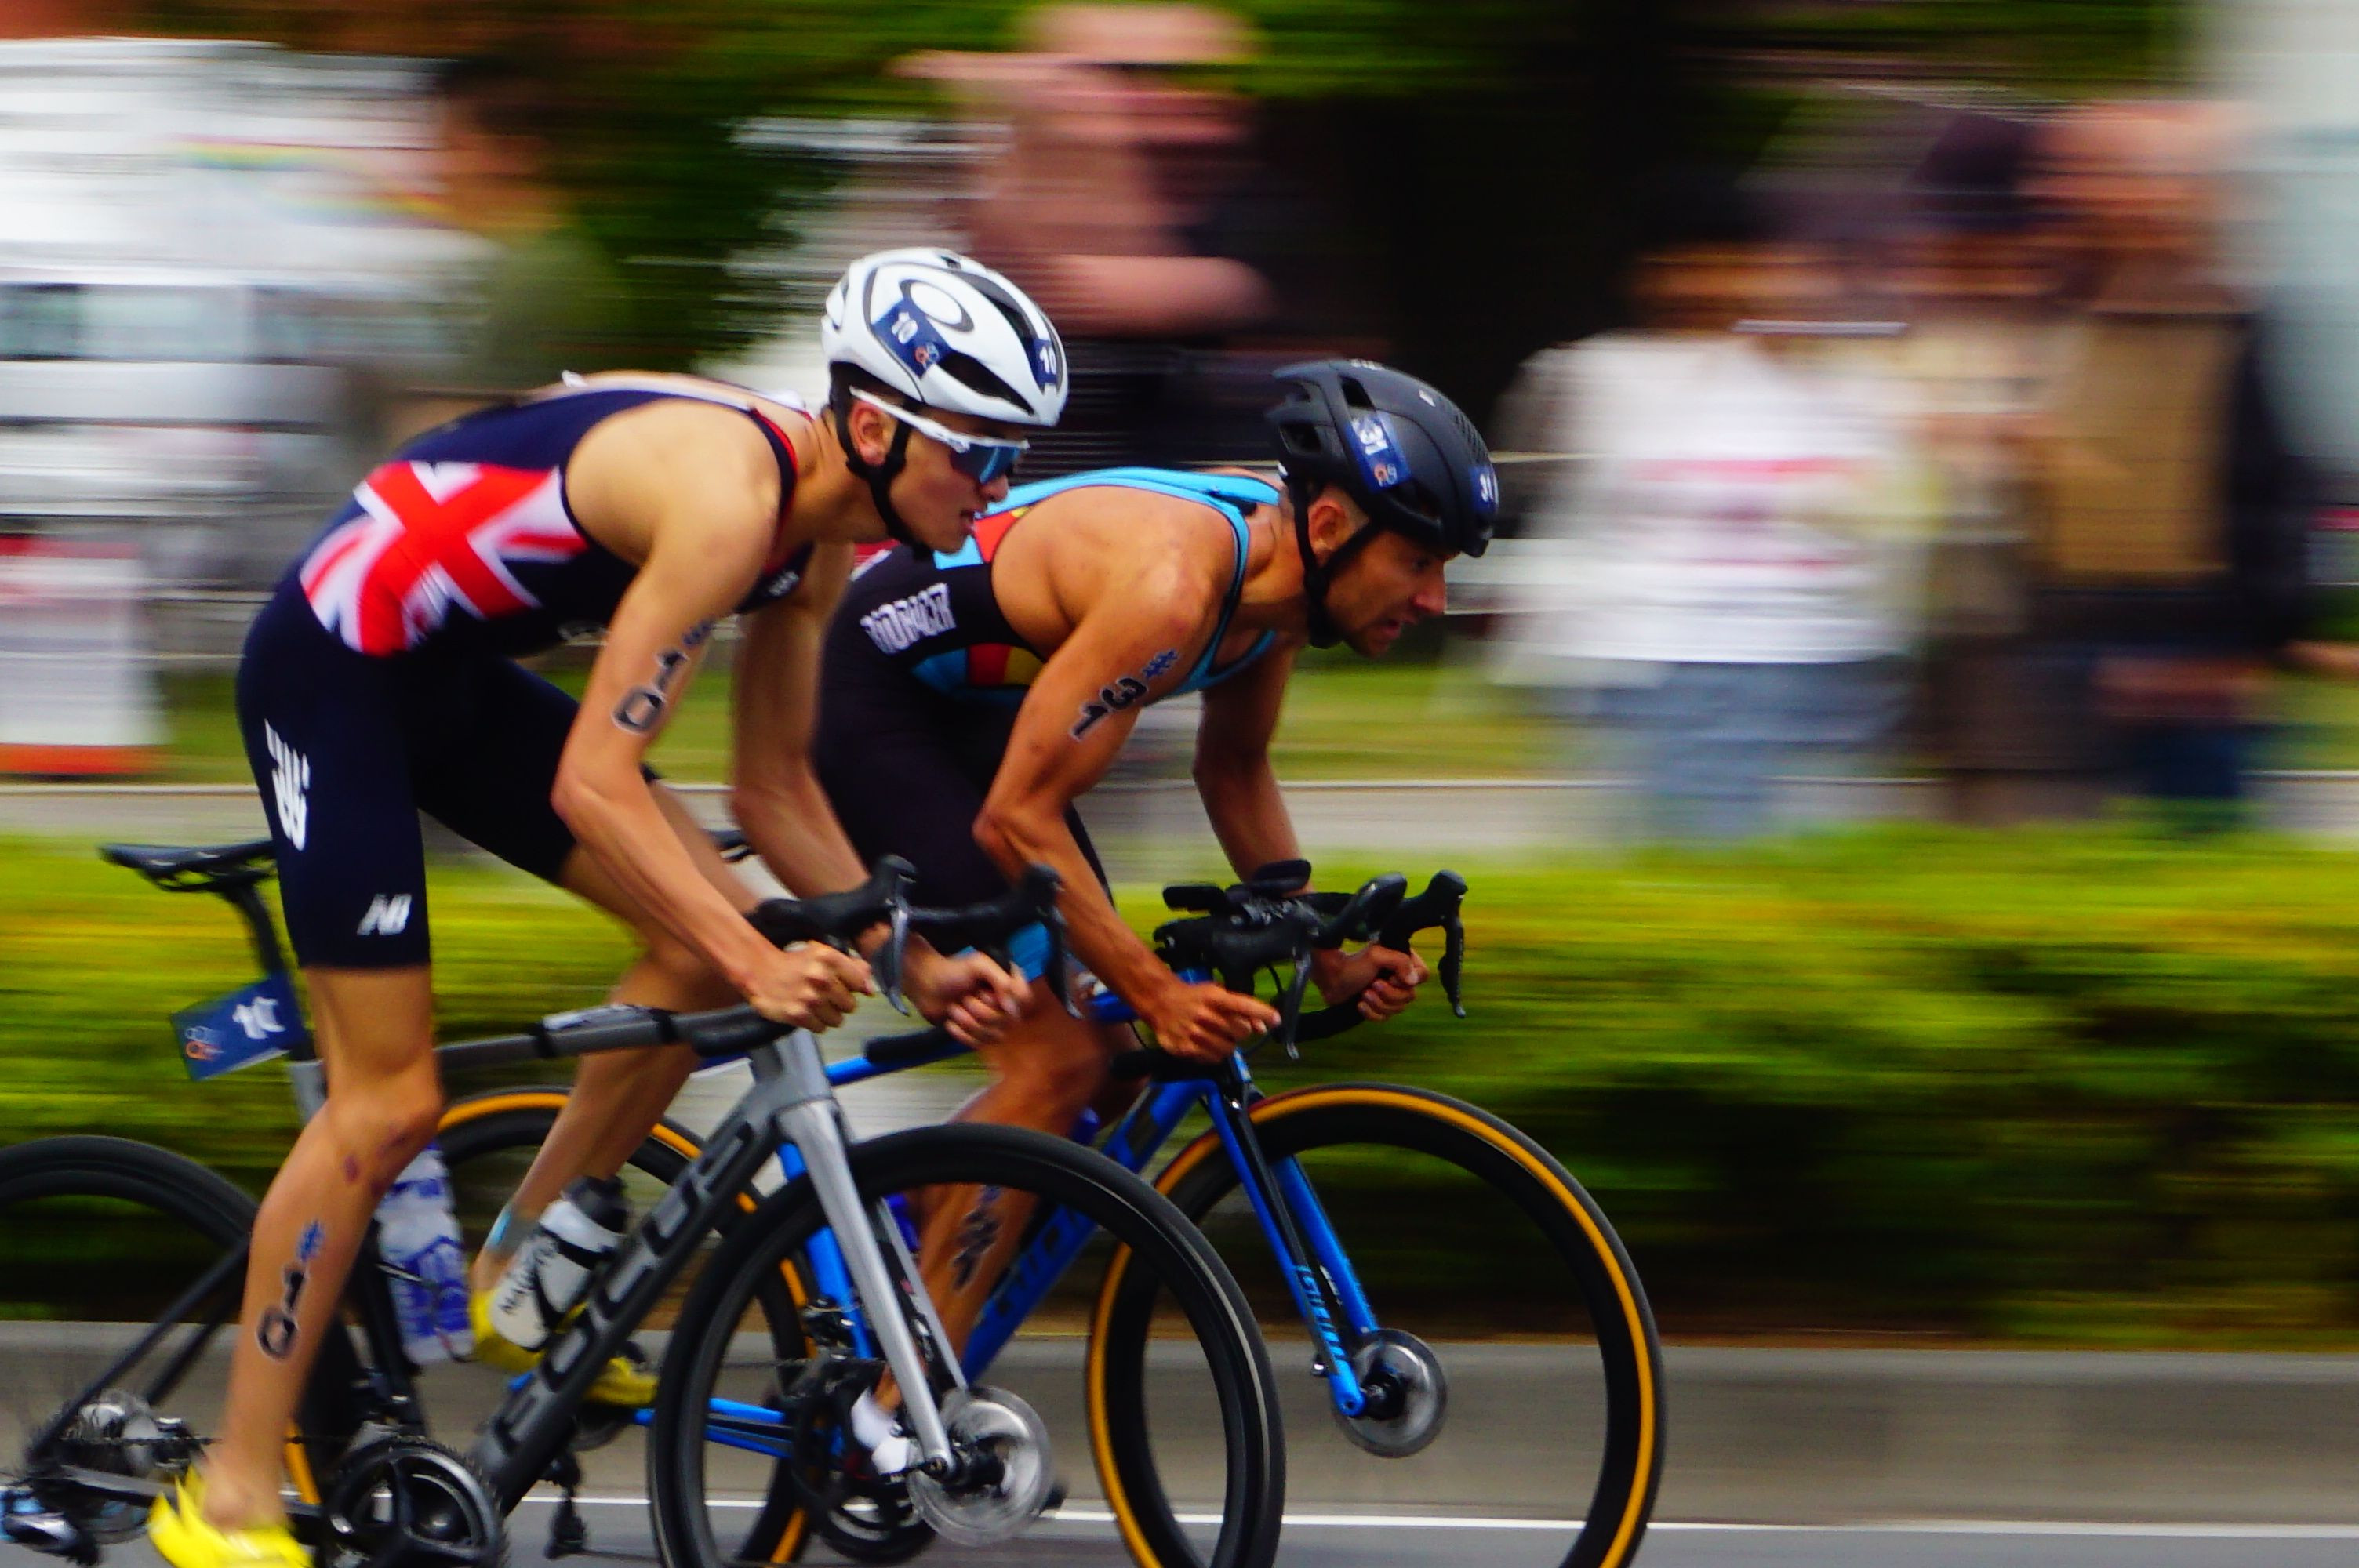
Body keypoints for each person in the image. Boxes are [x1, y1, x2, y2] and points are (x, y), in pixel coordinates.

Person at [148, 248, 1060, 1568]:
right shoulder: (731, 504)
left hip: (447, 673)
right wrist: (759, 956)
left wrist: (901, 956)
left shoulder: (814, 542)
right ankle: (227, 1491)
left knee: (706, 949)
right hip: (333, 669)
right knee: (389, 1103)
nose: (999, 489)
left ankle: (517, 1273)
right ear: (875, 428)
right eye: (983, 454)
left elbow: (775, 789)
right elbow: (595, 780)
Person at [810, 358, 1488, 1452]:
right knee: (1058, 1060)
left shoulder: (1278, 593)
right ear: (1329, 526)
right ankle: (895, 1423)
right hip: (874, 699)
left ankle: (920, 1218)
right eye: (1417, 560)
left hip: (975, 712)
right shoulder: (1175, 591)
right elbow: (1015, 823)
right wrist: (1158, 989)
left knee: (1115, 1055)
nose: (1433, 600)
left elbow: (1235, 771)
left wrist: (1328, 956)